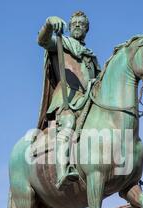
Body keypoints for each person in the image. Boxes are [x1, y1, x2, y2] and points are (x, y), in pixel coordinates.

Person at [36, 11, 100, 189]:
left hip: (88, 100)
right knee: (68, 125)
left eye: (81, 23)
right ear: (70, 27)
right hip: (67, 101)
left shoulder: (90, 56)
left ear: (86, 29)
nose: (78, 25)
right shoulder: (61, 43)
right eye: (75, 23)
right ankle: (62, 170)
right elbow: (42, 41)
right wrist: (49, 23)